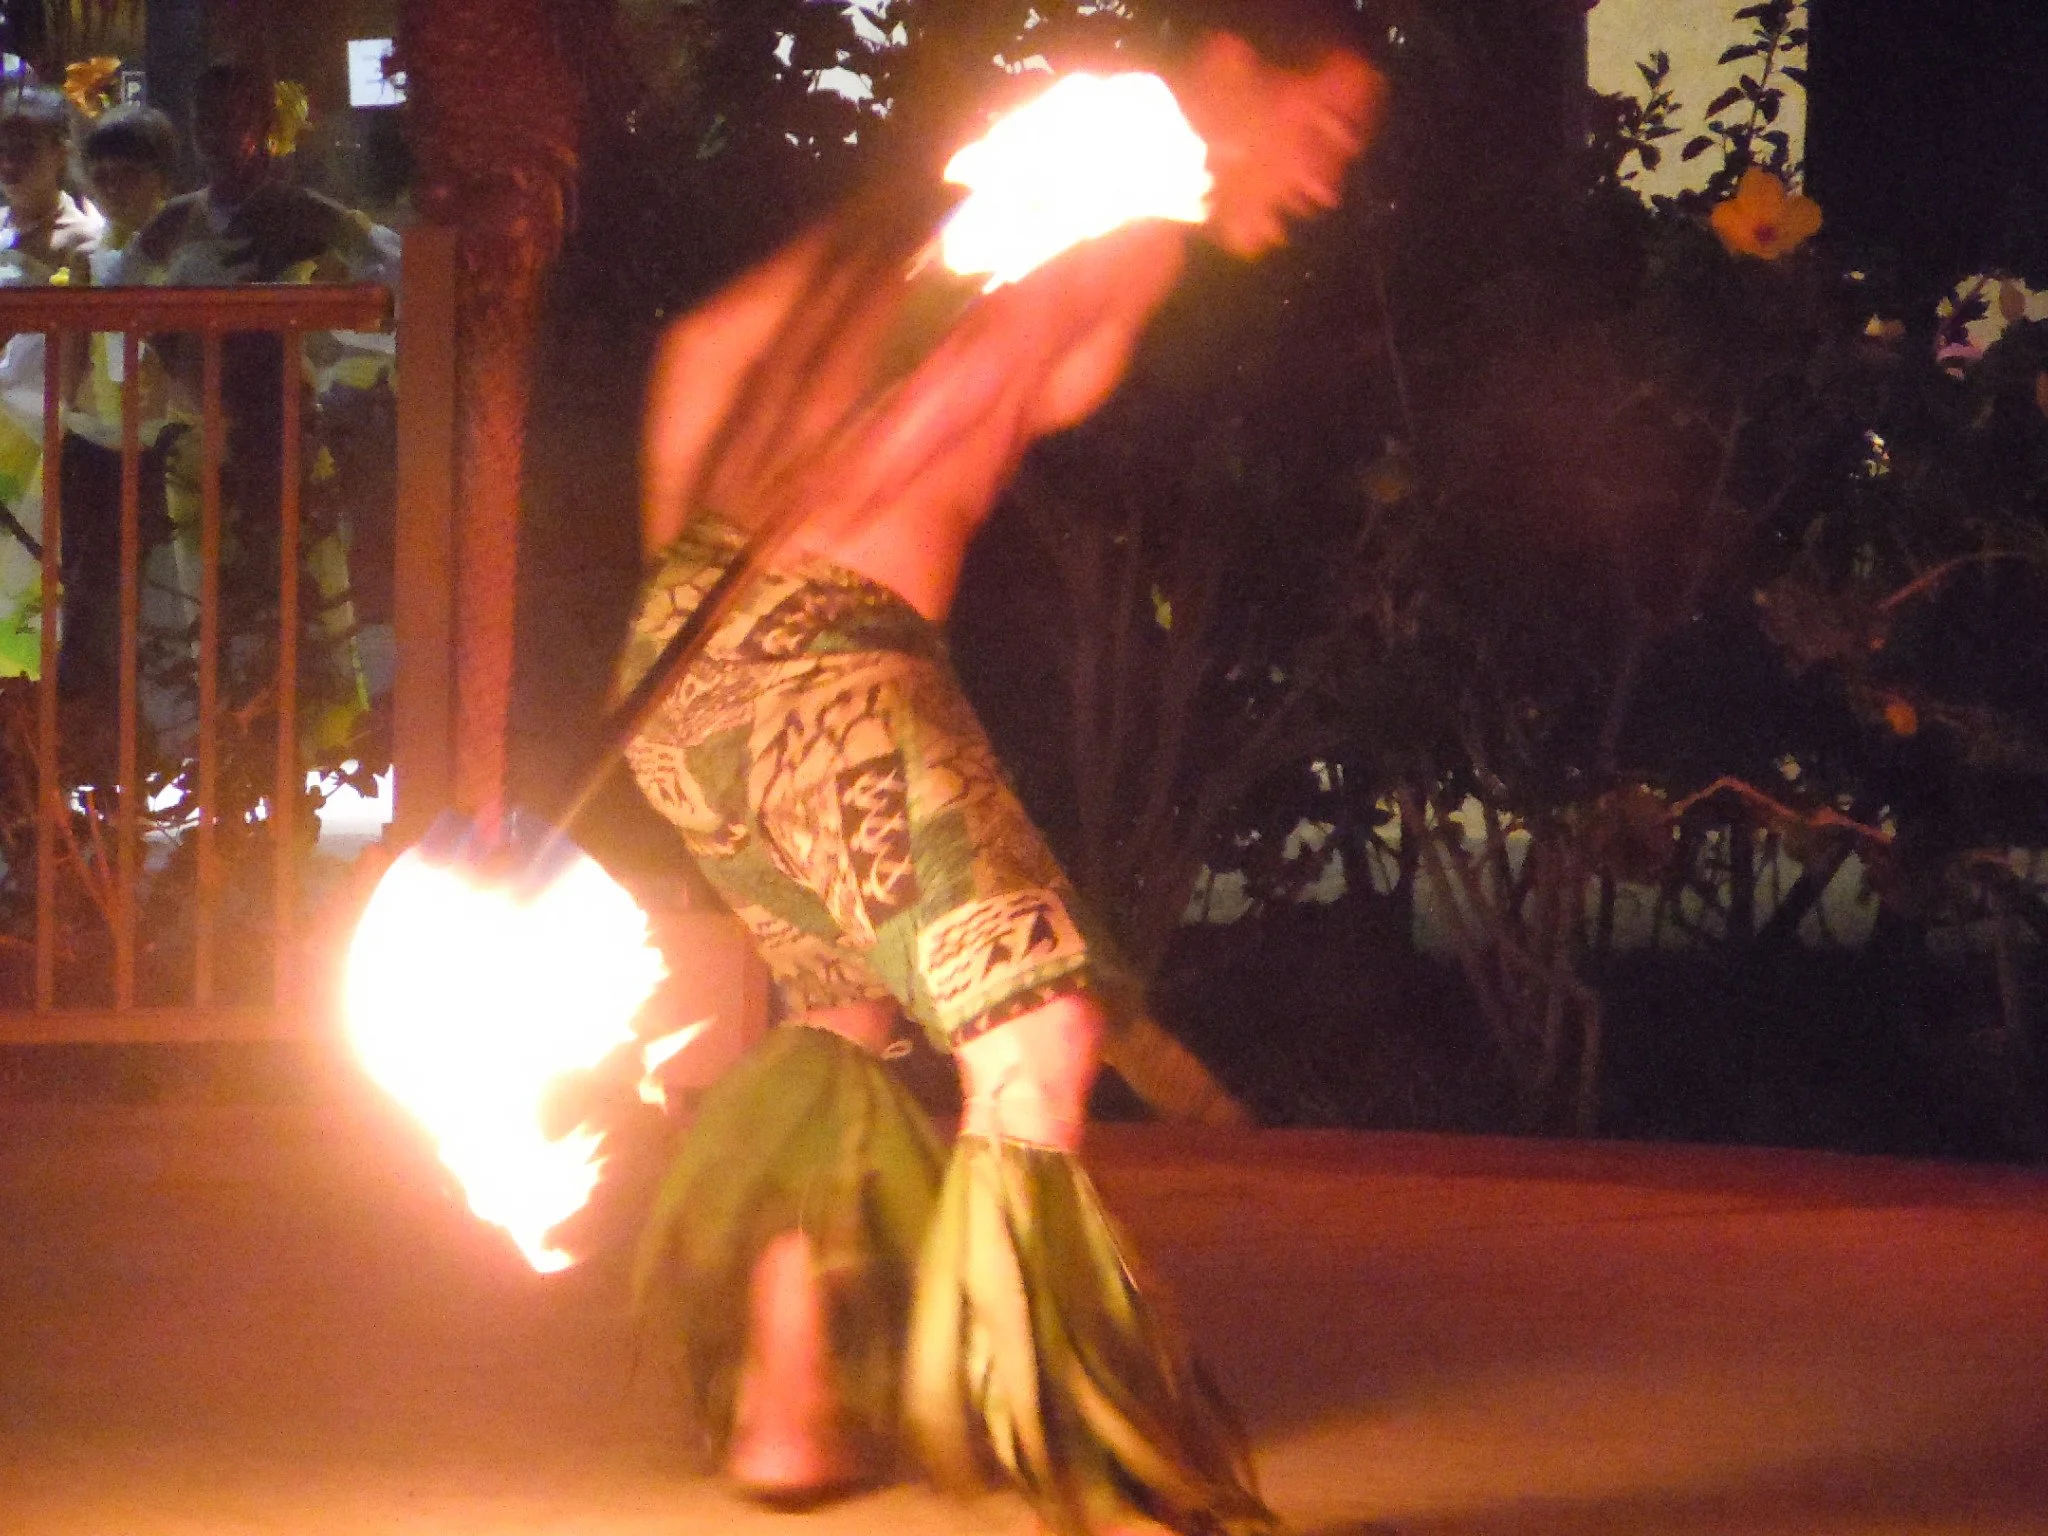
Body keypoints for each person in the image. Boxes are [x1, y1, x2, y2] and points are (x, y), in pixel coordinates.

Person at [621, 4, 1387, 1531]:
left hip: (690, 677)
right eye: (1328, 128)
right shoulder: (1122, 199)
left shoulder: (944, 201)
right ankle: (1075, 1463)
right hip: (830, 652)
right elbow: (980, 368)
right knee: (1033, 1038)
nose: (1330, 178)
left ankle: (787, 1409)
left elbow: (701, 349)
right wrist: (842, 518)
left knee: (837, 1024)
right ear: (1233, 66)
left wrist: (687, 608)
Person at [52, 105, 178, 713]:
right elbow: (71, 364)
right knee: (93, 599)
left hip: (168, 446)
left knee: (162, 599)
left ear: (161, 177)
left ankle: (141, 738)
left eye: (127, 174)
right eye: (103, 176)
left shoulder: (186, 258)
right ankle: (94, 743)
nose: (114, 188)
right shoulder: (92, 260)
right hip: (95, 447)